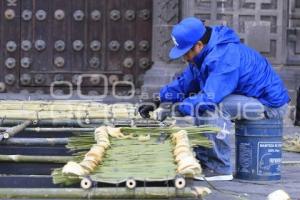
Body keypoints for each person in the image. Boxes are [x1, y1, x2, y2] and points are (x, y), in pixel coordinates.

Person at [138, 17, 290, 181]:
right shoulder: (203, 54)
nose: (184, 58)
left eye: (185, 53)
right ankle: (205, 160)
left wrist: (176, 109)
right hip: (249, 99)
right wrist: (158, 99)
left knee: (212, 107)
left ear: (199, 45)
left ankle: (218, 167)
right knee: (199, 102)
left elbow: (209, 99)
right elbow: (186, 83)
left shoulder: (224, 56)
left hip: (269, 105)